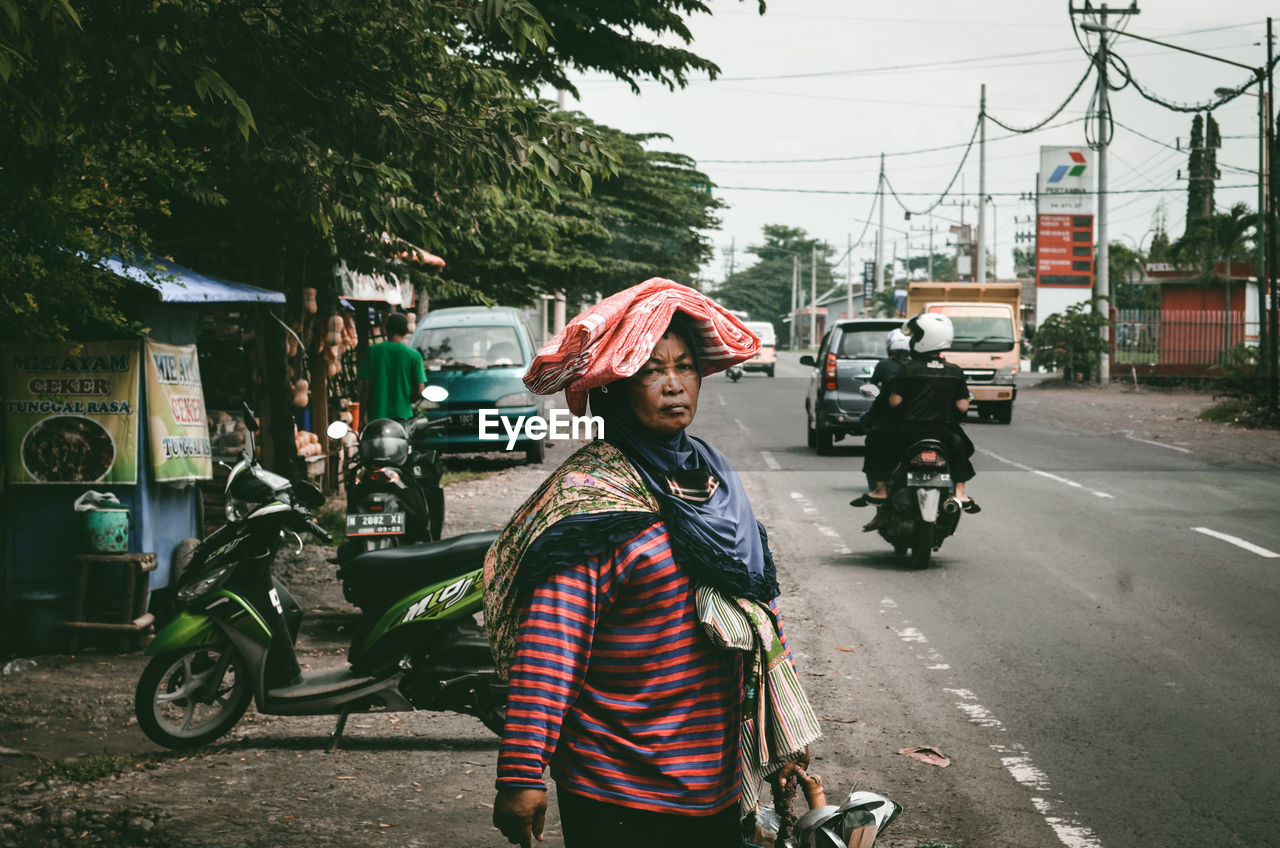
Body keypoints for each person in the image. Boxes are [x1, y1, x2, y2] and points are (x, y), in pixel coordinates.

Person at [484, 280, 821, 848]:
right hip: (616, 788)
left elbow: (756, 611)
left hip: (714, 783)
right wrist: (521, 774)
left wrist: (779, 735)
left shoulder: (712, 484)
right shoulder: (592, 506)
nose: (674, 384)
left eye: (685, 366)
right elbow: (551, 646)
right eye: (650, 369)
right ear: (614, 389)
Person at [885, 313, 979, 513]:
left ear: (924, 339)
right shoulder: (954, 371)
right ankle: (960, 493)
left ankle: (884, 492)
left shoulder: (907, 368)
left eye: (916, 335)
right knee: (962, 448)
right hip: (944, 433)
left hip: (909, 431)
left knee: (884, 449)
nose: (912, 340)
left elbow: (895, 402)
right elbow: (963, 407)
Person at [850, 329, 911, 528]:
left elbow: (882, 400)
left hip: (895, 427)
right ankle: (956, 493)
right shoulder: (929, 368)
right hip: (930, 428)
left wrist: (868, 421)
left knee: (874, 442)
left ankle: (880, 491)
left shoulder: (891, 370)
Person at [357, 311, 425, 423]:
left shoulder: (373, 351)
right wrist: (407, 401)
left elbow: (364, 387)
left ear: (386, 329)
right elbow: (420, 391)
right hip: (402, 417)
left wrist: (361, 418)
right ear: (406, 331)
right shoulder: (414, 356)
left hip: (376, 417)